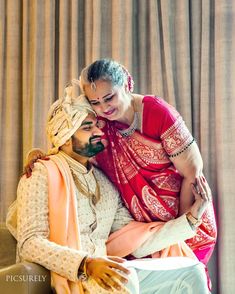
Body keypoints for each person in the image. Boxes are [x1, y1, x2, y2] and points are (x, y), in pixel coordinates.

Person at [7, 85, 211, 293]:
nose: (98, 131)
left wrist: (192, 218)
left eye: (96, 125)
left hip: (105, 273)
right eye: (87, 128)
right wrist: (86, 264)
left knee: (190, 271)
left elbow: (135, 240)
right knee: (123, 278)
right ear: (65, 138)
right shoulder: (40, 173)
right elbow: (30, 243)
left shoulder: (103, 181)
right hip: (72, 275)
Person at [77, 59, 217, 267]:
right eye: (95, 102)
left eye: (109, 98)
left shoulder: (157, 112)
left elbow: (192, 173)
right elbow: (67, 131)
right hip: (140, 232)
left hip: (187, 216)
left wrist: (179, 230)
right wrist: (40, 155)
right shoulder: (100, 124)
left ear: (125, 85)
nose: (103, 108)